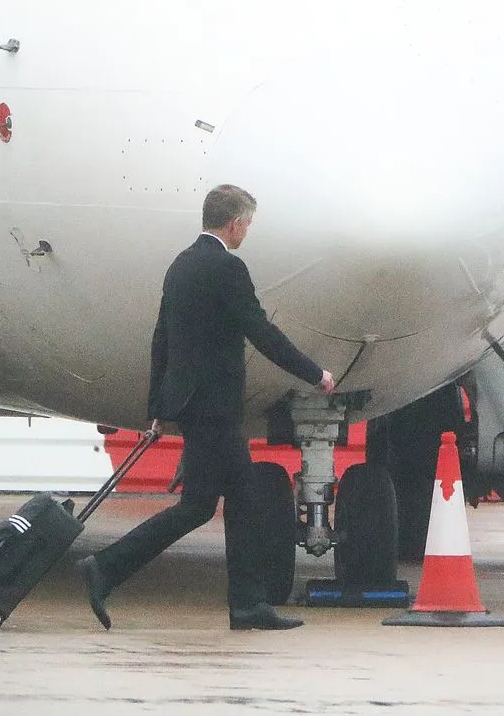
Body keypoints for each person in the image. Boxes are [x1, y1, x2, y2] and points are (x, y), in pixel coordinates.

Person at [77, 185, 335, 631]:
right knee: (206, 505)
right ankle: (106, 567)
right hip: (215, 407)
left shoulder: (181, 265)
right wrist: (314, 373)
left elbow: (163, 336)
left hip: (193, 404)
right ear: (234, 223)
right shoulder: (227, 268)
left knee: (233, 501)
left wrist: (157, 403)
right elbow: (261, 331)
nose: (247, 232)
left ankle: (247, 605)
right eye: (247, 224)